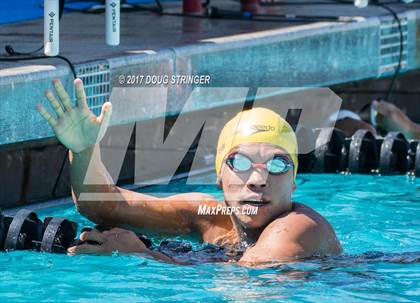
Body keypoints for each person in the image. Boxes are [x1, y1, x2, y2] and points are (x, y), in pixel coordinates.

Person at [37, 78, 342, 267]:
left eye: (277, 164)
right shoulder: (209, 215)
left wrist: (140, 254)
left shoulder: (299, 228)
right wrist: (84, 149)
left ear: (294, 181)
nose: (258, 179)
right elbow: (102, 205)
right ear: (219, 175)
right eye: (241, 163)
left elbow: (249, 286)